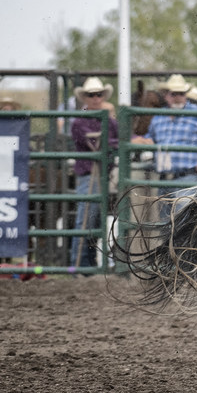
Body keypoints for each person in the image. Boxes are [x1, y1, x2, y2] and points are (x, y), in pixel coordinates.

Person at [136, 74, 197, 215]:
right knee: (166, 226)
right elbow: (151, 138)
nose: (178, 97)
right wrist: (141, 141)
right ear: (166, 96)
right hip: (163, 180)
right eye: (174, 94)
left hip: (187, 178)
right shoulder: (158, 117)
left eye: (181, 93)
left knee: (184, 221)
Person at [68, 77, 118, 268]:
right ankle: (79, 264)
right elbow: (98, 145)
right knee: (86, 220)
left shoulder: (108, 121)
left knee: (94, 221)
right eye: (91, 95)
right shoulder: (80, 122)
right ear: (85, 98)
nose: (96, 98)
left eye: (98, 94)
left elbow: (118, 138)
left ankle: (86, 265)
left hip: (103, 175)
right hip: (90, 175)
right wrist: (116, 144)